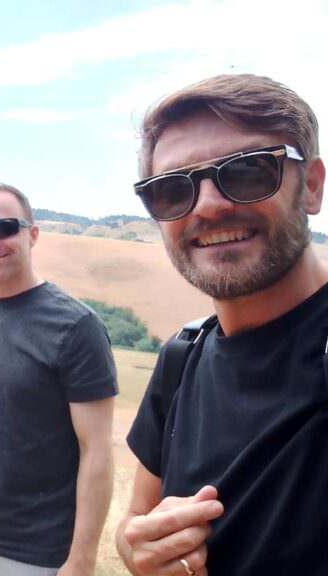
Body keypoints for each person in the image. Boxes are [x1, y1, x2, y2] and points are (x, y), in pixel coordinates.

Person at [117, 74, 328, 575]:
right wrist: (146, 551)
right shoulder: (182, 356)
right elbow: (135, 529)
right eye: (172, 189)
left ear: (312, 185)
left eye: (250, 171)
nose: (209, 205)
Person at [0, 184, 119, 575]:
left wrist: (82, 559)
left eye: (4, 227)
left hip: (35, 553)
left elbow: (98, 452)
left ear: (32, 234)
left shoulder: (77, 327)